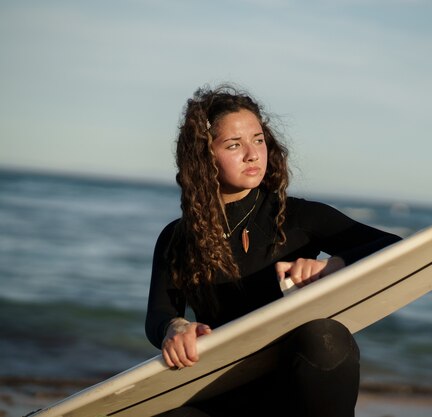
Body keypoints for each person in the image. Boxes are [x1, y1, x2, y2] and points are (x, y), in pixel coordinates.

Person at [145, 84, 401, 417]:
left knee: (324, 335)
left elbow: (392, 249)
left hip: (295, 386)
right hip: (225, 390)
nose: (252, 154)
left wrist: (333, 267)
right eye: (234, 144)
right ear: (203, 156)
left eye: (258, 139)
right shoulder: (178, 239)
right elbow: (159, 315)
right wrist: (176, 329)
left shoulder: (298, 216)